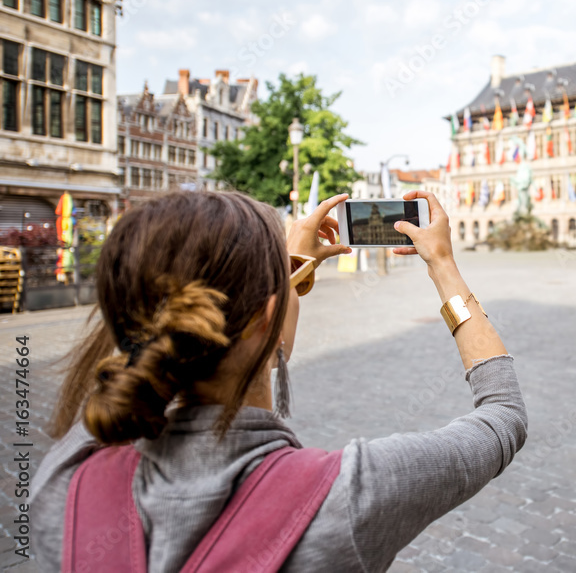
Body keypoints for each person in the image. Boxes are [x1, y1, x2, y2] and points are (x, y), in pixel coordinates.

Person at [32, 189, 527, 572]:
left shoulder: (66, 479)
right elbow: (502, 418)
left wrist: (276, 267)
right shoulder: (349, 497)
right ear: (267, 319)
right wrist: (443, 266)